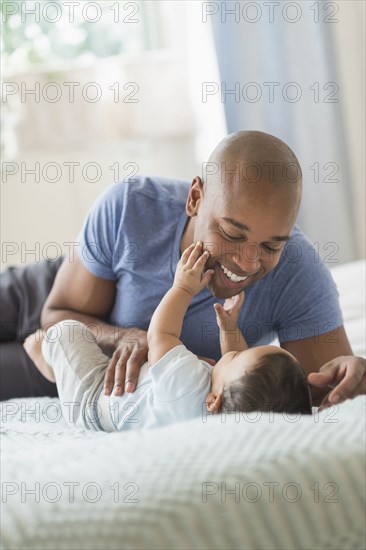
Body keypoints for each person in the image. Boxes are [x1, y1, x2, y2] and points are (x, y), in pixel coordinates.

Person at [1, 131, 365, 408]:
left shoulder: (299, 274)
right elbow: (55, 316)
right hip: (50, 296)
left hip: (77, 370)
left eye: (271, 246)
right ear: (195, 199)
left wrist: (356, 375)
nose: (247, 262)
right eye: (231, 233)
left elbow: (324, 390)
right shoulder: (131, 206)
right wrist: (125, 337)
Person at [23, 242, 312, 431]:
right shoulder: (220, 411)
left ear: (213, 401)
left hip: (93, 402)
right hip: (127, 394)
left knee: (65, 331)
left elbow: (160, 334)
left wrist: (183, 288)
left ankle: (44, 354)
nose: (234, 350)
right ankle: (58, 367)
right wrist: (229, 329)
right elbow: (234, 364)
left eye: (237, 354)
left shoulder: (185, 385)